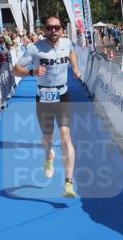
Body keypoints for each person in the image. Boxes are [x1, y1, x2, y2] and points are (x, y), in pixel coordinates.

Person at [13, 15, 83, 198]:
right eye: (49, 28)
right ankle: (48, 156)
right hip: (43, 97)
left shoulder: (67, 43)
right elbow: (15, 69)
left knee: (66, 136)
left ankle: (69, 182)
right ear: (44, 30)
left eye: (56, 28)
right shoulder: (35, 48)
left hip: (63, 95)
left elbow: (72, 53)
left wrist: (75, 67)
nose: (53, 31)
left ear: (61, 29)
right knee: (47, 138)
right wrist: (32, 72)